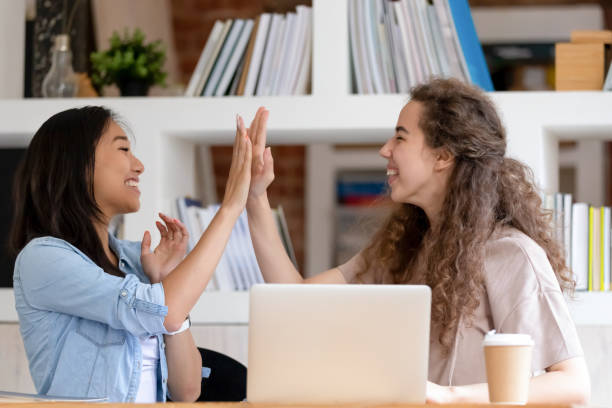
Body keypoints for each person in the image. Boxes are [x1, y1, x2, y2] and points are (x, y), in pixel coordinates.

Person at [245, 79, 590, 404]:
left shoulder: (512, 254)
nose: (385, 150)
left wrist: (447, 397)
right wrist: (255, 197)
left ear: (443, 156)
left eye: (400, 138)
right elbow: (295, 301)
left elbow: (573, 384)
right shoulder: (401, 250)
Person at [10, 106, 261, 402]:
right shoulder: (42, 260)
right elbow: (159, 308)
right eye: (123, 149)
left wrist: (163, 280)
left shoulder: (135, 261)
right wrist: (230, 208)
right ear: (77, 163)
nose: (139, 165)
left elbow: (188, 390)